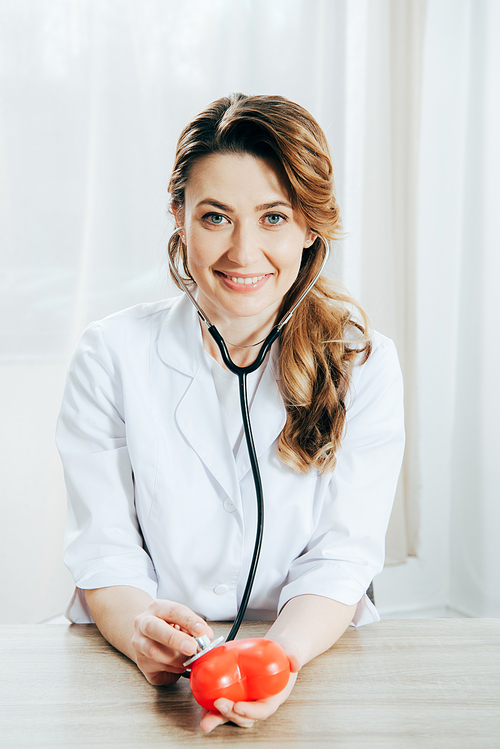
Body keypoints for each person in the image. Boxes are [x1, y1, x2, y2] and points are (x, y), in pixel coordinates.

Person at [56, 93, 405, 733]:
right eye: (216, 216)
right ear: (179, 217)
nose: (243, 253)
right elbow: (105, 548)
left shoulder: (365, 362)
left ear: (311, 227)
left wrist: (280, 656)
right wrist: (141, 628)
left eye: (273, 218)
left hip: (306, 659)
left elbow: (341, 557)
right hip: (134, 672)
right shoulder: (111, 354)